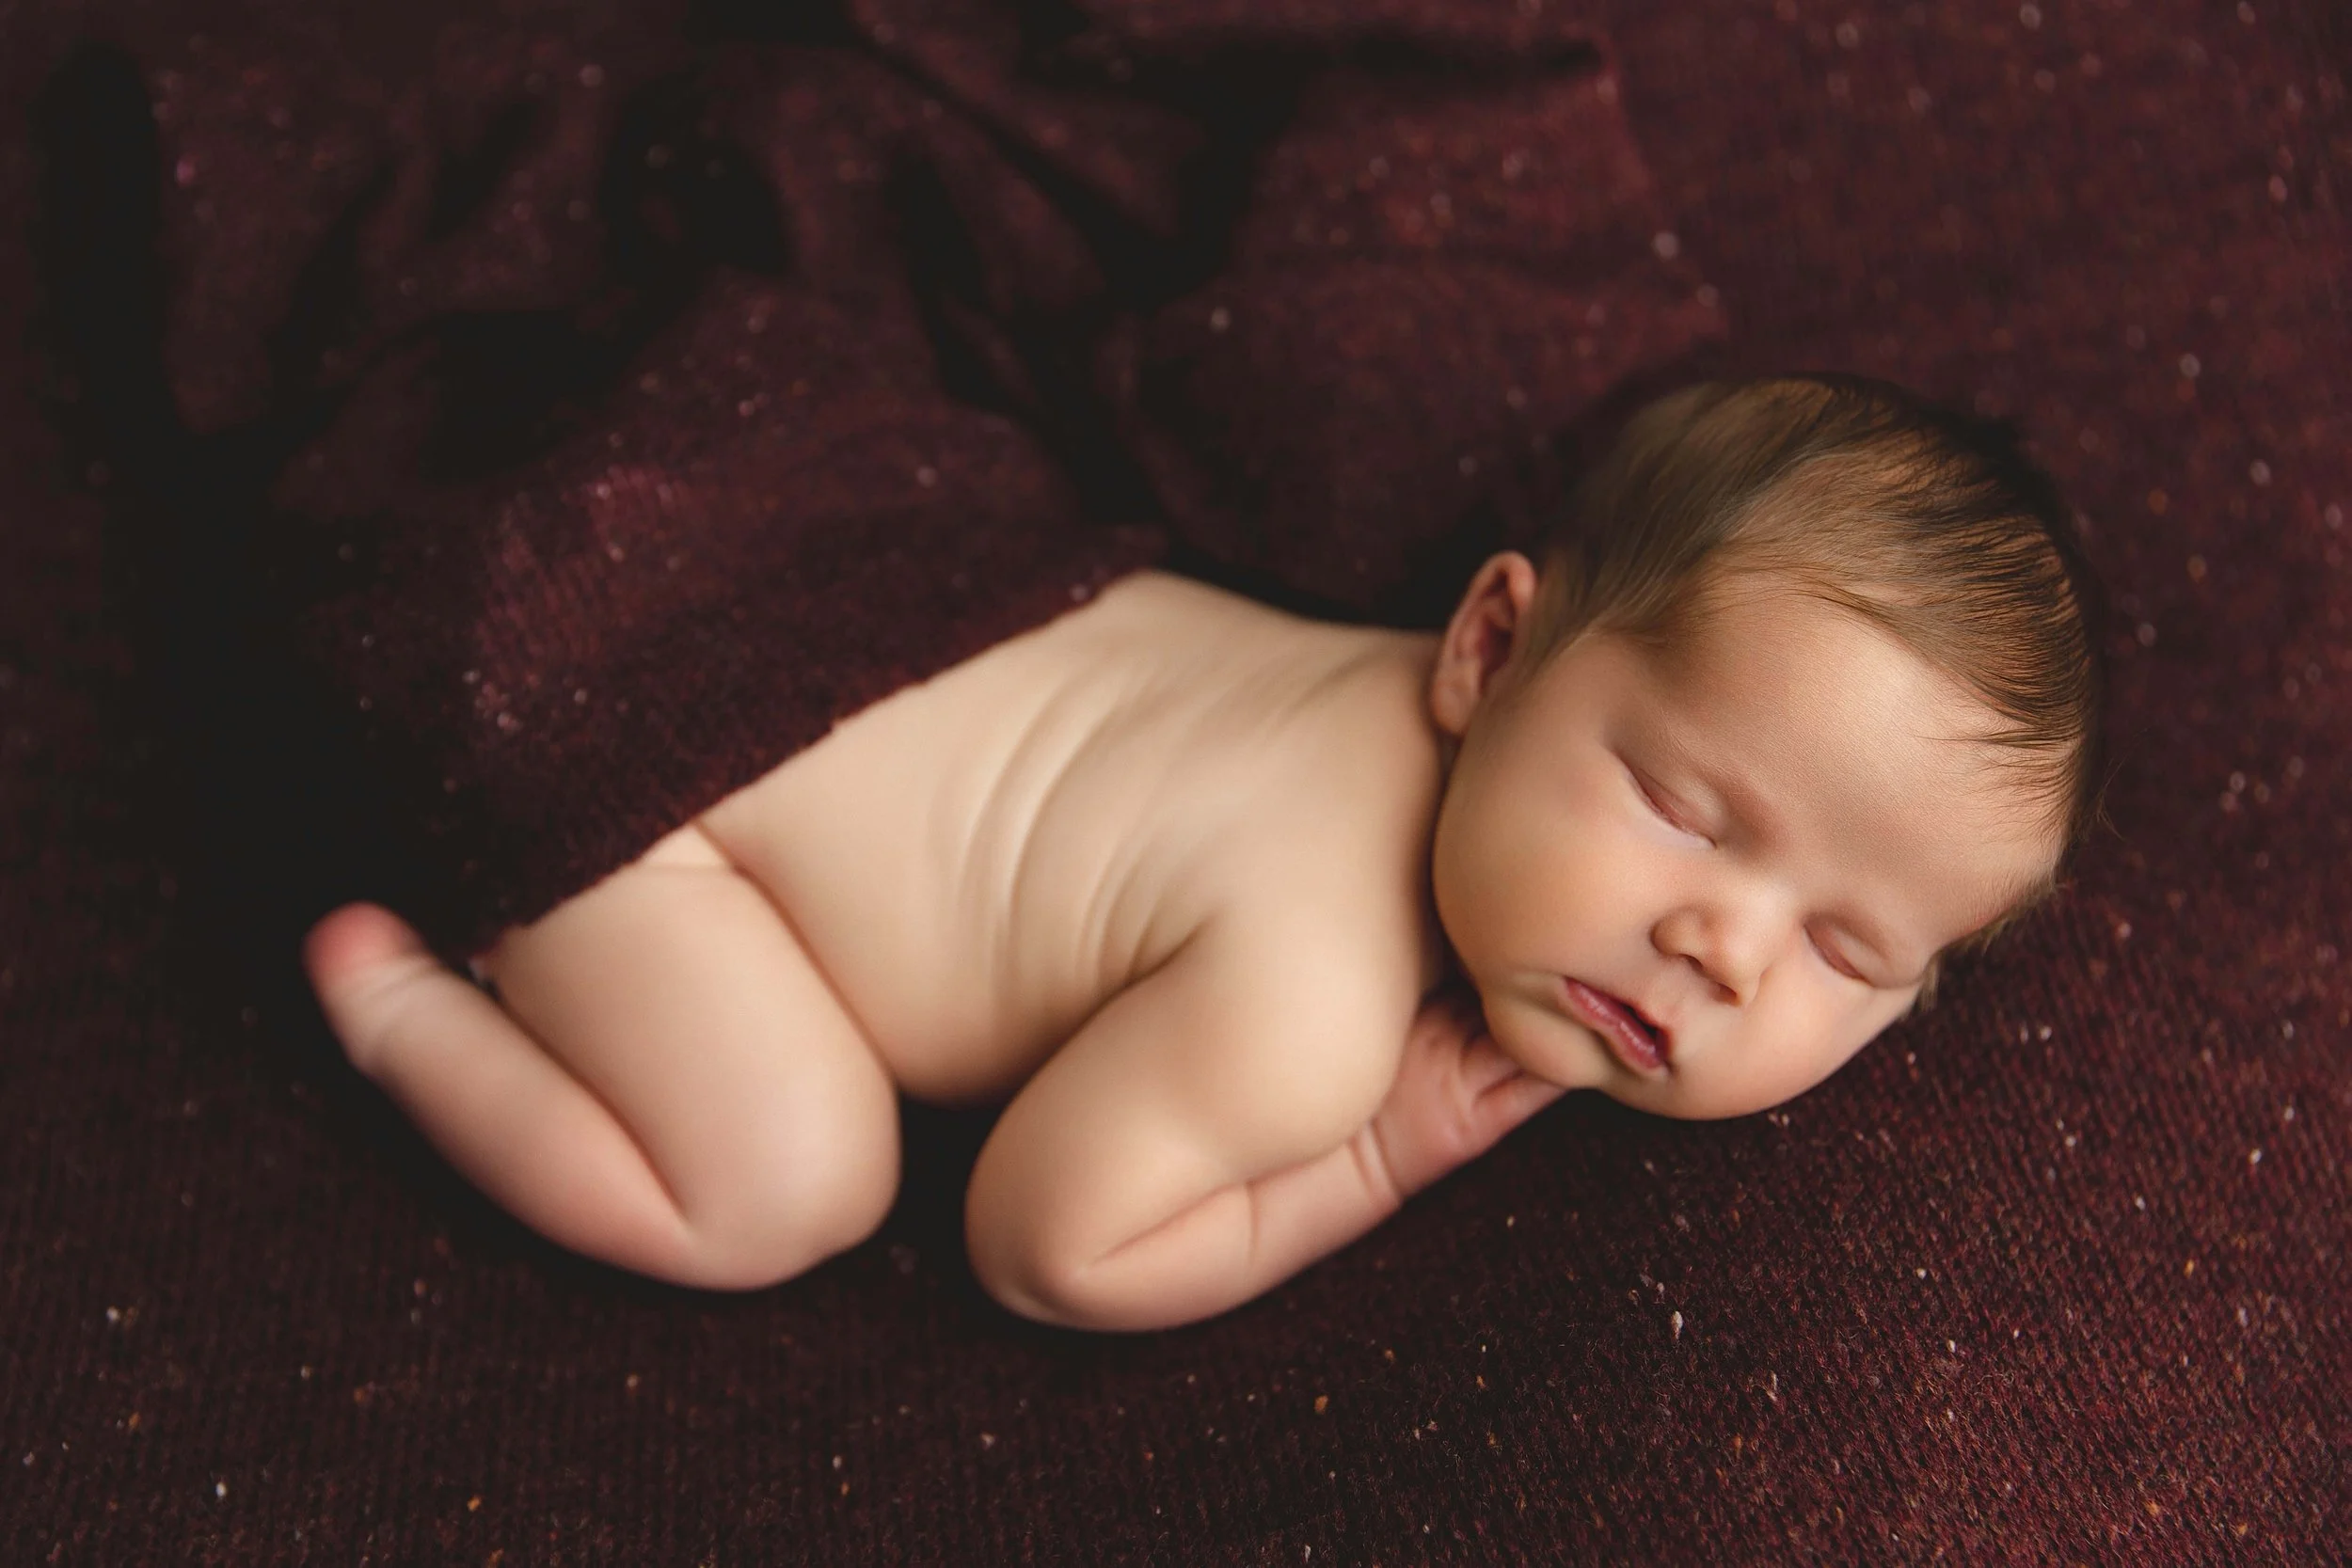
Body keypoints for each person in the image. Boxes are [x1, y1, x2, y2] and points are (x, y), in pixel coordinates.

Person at [302, 374, 2105, 1331]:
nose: (1725, 947)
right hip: (634, 767)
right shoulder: (1305, 1001)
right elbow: (1044, 1246)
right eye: (1688, 813)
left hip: (755, 545)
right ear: (1487, 646)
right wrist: (1378, 1150)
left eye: (1853, 956)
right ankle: (403, 1007)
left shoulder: (1374, 673)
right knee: (791, 1184)